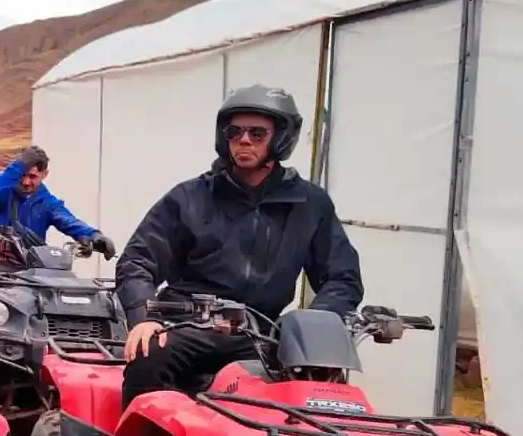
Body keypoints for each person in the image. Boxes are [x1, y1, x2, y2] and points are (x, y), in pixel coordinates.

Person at [115, 85, 364, 409]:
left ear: (281, 138)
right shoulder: (190, 197)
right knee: (150, 356)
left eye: (257, 133)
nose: (244, 140)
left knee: (320, 385)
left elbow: (342, 275)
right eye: (235, 131)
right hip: (190, 326)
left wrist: (317, 322)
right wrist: (144, 315)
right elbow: (137, 260)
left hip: (260, 335)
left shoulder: (310, 204)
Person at [0, 145, 115, 270]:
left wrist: (94, 236)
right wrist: (19, 165)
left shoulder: (48, 203)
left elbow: (68, 221)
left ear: (45, 174)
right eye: (23, 175)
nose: (26, 182)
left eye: (32, 177)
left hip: (30, 268)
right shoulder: (3, 193)